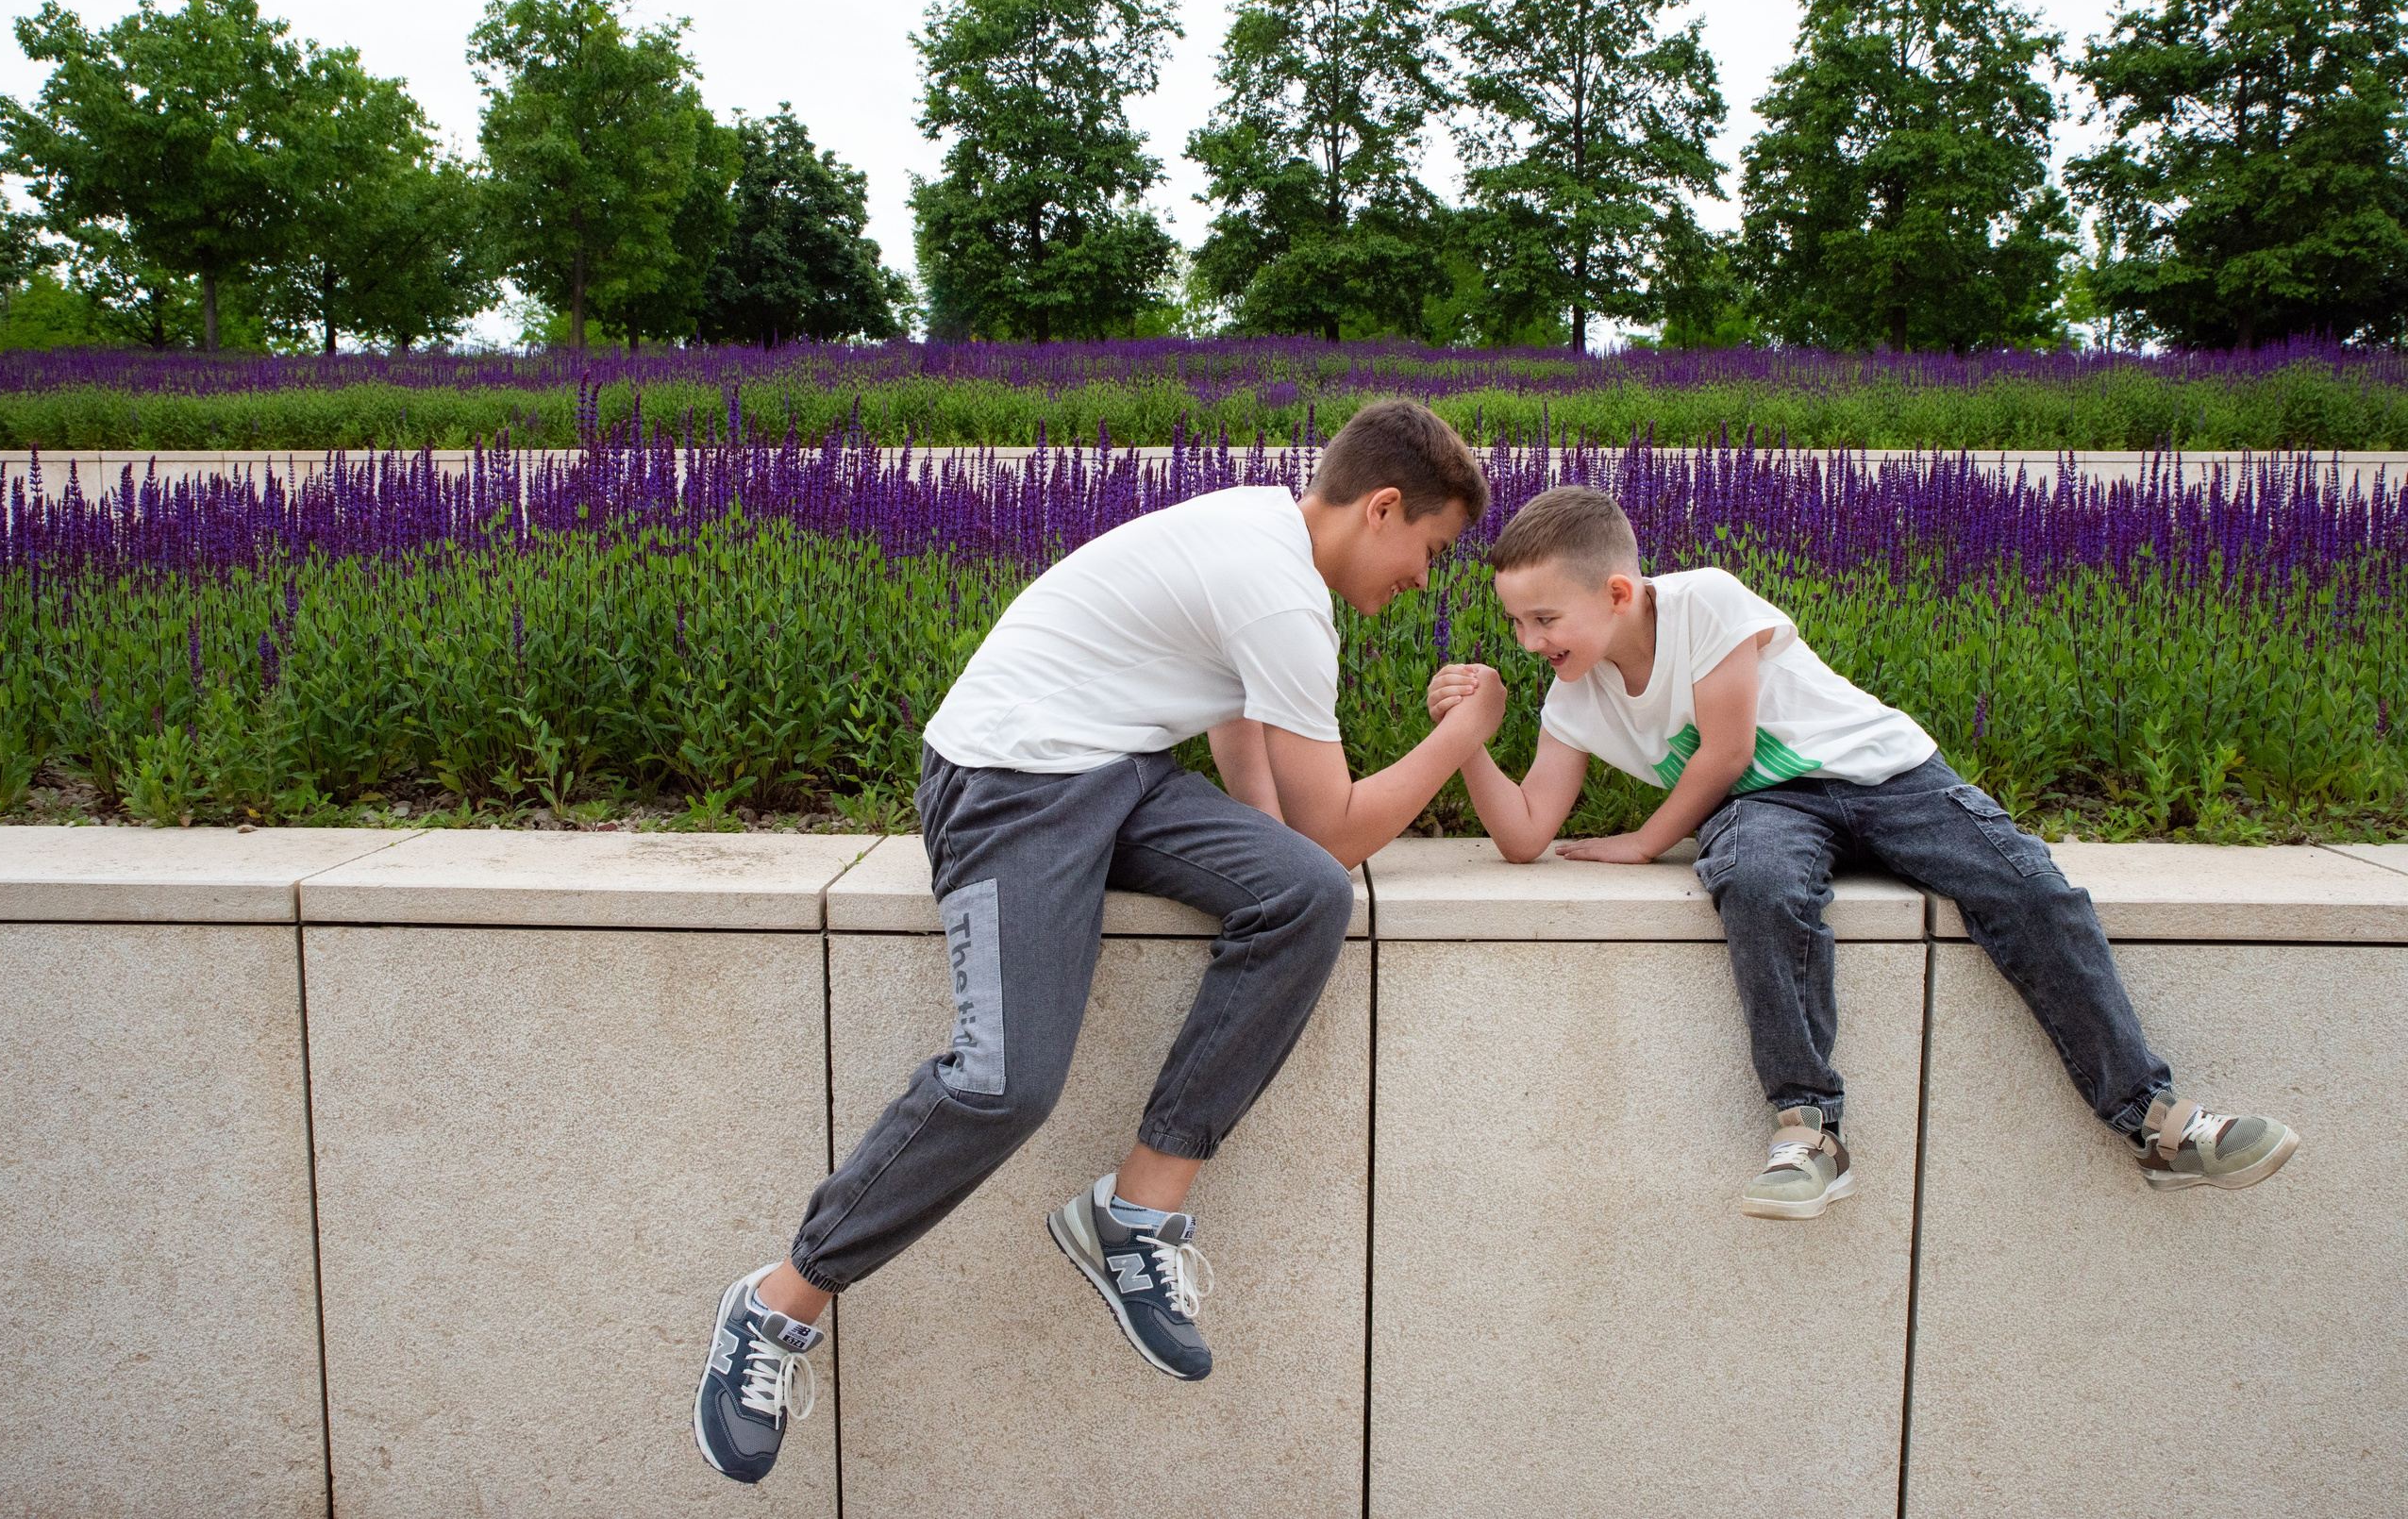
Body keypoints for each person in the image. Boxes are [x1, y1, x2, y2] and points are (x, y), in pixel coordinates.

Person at [694, 400, 1506, 1483]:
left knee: (1305, 896)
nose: (1424, 579)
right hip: (1008, 785)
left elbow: (1249, 753)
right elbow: (1341, 822)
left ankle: (1134, 1210)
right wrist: (1464, 730)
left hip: (1119, 773)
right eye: (1430, 550)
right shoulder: (1278, 590)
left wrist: (1263, 870)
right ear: (1384, 506)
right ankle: (779, 1301)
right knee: (1002, 1081)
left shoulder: (1263, 541)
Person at [1429, 483, 2299, 1222]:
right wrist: (1467, 735)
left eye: (1544, 618)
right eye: (1516, 623)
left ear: (1618, 592)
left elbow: (1725, 750)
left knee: (2028, 888)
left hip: (1885, 772)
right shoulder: (1572, 699)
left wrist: (1649, 841)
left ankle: (2156, 1116)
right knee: (1759, 883)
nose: (1530, 642)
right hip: (1769, 808)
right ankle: (1808, 1129)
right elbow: (1527, 832)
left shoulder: (1704, 600)